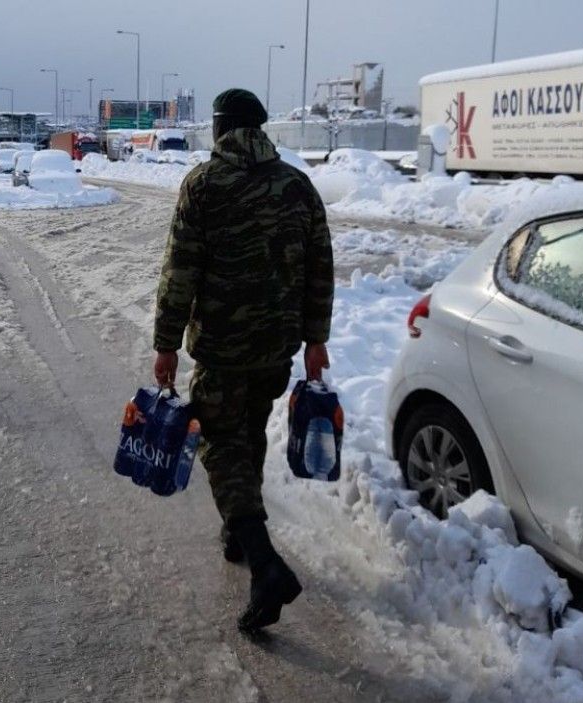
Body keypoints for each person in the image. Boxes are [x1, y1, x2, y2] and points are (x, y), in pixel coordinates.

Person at [153, 89, 334, 632]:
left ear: (222, 127)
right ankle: (238, 530)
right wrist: (315, 338)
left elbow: (179, 270)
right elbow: (320, 267)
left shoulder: (204, 185)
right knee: (248, 432)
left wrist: (165, 343)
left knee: (218, 442)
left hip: (223, 349)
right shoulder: (298, 186)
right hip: (276, 348)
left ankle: (264, 562)